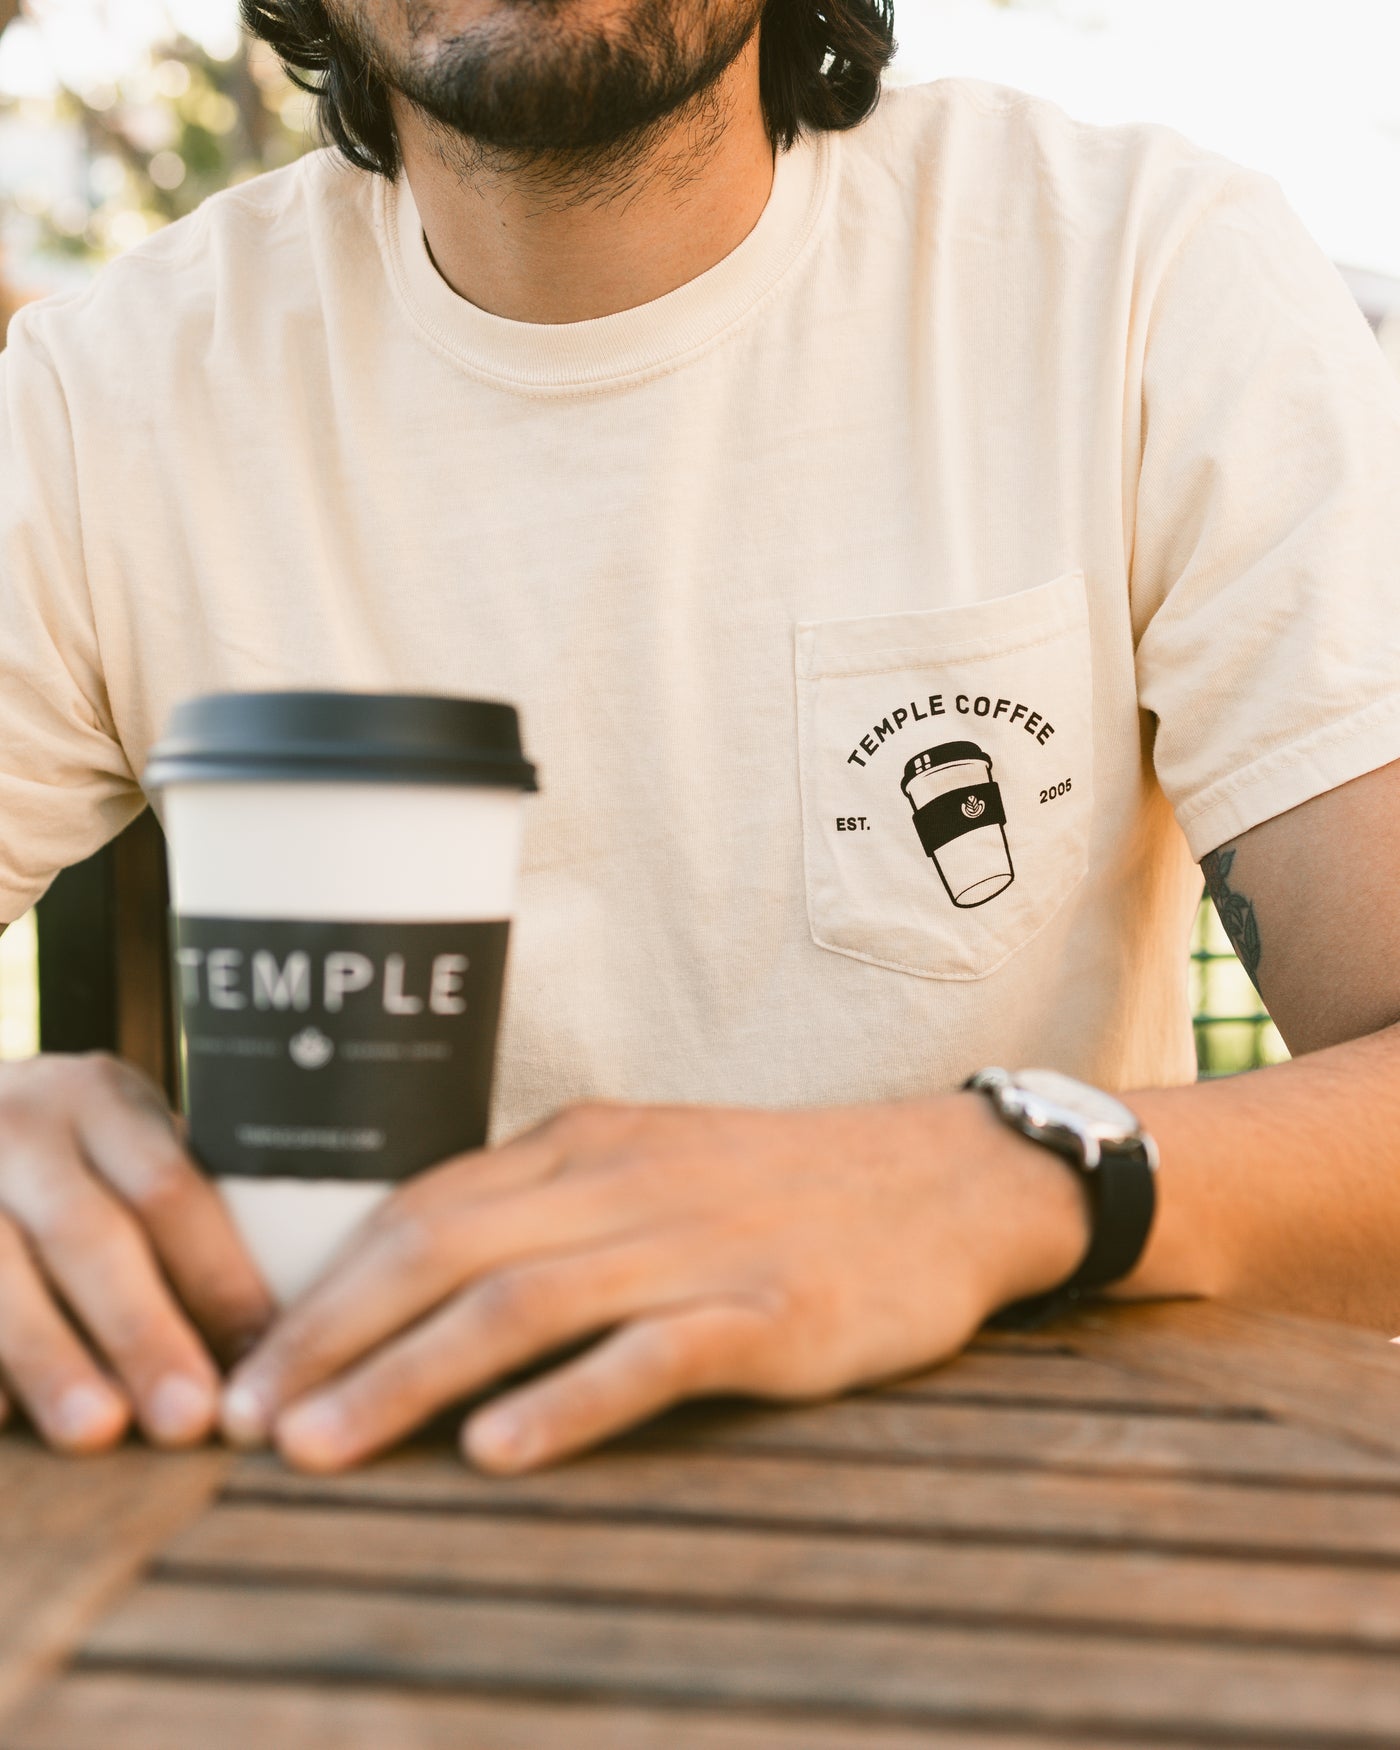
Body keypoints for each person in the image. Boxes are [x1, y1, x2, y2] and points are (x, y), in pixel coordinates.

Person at [0, 0, 1398, 1477]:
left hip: (1028, 1561)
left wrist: (984, 1179)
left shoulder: (1137, 276)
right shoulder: (103, 404)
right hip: (323, 1550)